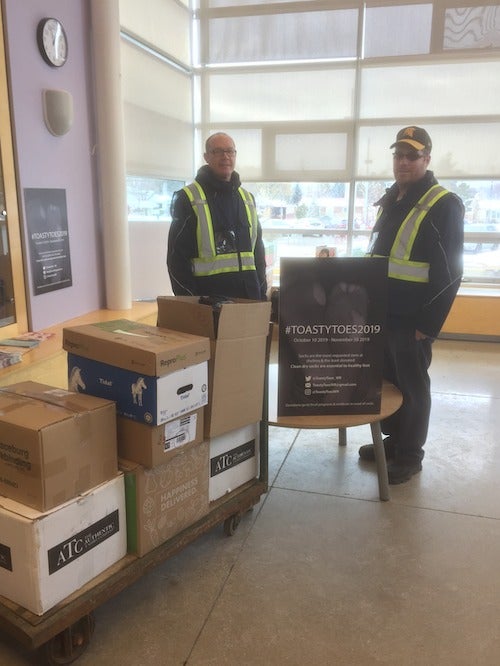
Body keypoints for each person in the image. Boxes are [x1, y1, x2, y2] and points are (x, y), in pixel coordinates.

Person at [359, 126, 464, 484]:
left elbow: (450, 272)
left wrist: (429, 323)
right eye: (398, 155)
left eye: (412, 156)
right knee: (388, 383)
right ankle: (393, 441)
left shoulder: (443, 203)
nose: (403, 162)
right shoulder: (394, 199)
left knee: (413, 386)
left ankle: (410, 453)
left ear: (426, 160)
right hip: (383, 313)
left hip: (411, 319)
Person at [167, 132, 268, 300]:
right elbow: (176, 259)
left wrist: (261, 292)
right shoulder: (188, 198)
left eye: (230, 151)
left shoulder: (248, 198)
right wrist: (190, 301)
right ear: (206, 157)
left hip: (250, 298)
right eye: (218, 151)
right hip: (208, 302)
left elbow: (258, 251)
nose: (225, 156)